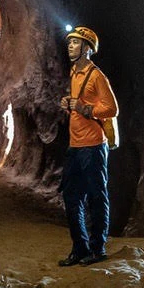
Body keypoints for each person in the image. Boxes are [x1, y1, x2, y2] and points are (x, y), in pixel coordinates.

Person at [57, 25, 118, 266]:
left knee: (96, 196)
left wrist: (85, 109)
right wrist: (68, 103)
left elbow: (112, 109)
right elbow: (78, 102)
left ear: (87, 49)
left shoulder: (96, 76)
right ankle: (80, 248)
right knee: (72, 197)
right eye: (70, 42)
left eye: (75, 43)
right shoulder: (74, 72)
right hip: (75, 145)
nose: (70, 46)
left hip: (93, 145)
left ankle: (98, 248)